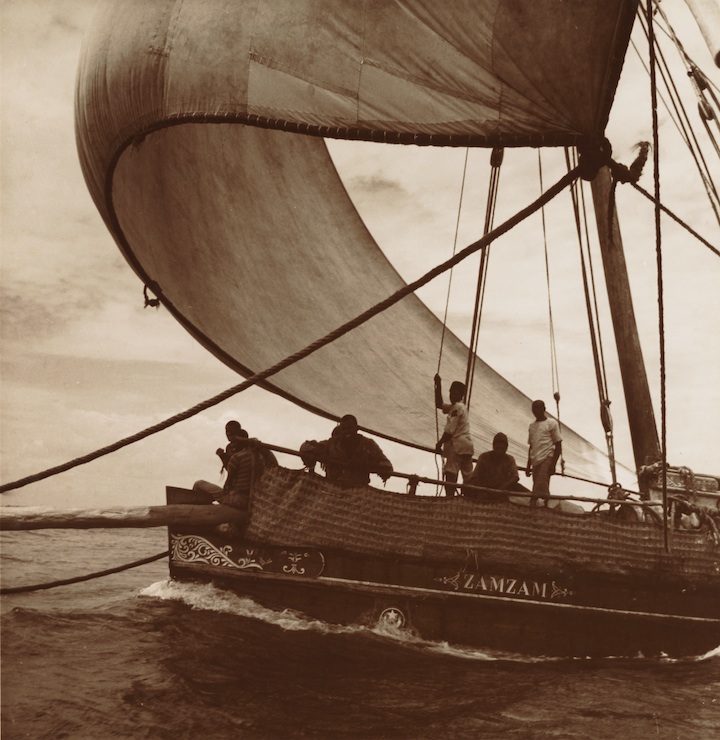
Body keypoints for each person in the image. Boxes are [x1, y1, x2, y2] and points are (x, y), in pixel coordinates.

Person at [194, 422, 278, 509]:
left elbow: (231, 477)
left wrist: (227, 492)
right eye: (227, 431)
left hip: (241, 497)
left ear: (239, 435)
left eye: (232, 432)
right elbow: (233, 470)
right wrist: (223, 457)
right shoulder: (232, 449)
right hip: (245, 495)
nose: (229, 434)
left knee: (199, 484)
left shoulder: (256, 451)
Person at [300, 414, 393, 488]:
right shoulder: (332, 443)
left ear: (356, 429)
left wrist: (366, 464)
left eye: (349, 428)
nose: (346, 432)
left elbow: (387, 467)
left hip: (359, 490)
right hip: (333, 487)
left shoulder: (368, 444)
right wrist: (323, 456)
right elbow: (305, 447)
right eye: (343, 429)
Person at [434, 374, 474, 497]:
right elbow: (439, 404)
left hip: (457, 445)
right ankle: (469, 498)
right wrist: (438, 385)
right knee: (468, 475)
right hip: (467, 446)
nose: (452, 395)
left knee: (451, 472)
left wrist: (439, 443)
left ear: (461, 396)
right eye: (451, 393)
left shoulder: (457, 407)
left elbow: (450, 430)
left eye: (455, 393)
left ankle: (450, 499)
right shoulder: (456, 407)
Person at [466, 432, 528, 502]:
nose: (499, 451)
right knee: (468, 487)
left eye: (502, 449)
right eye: (497, 448)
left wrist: (504, 486)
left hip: (503, 488)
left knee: (524, 491)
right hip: (485, 486)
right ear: (493, 446)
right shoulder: (484, 457)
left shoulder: (510, 459)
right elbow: (475, 476)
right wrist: (482, 490)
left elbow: (515, 477)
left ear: (506, 448)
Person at [525, 400, 562, 507]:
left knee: (541, 484)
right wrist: (528, 465)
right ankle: (543, 504)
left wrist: (553, 464)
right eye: (534, 408)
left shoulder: (551, 423)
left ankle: (537, 504)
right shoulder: (532, 426)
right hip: (535, 460)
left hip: (547, 457)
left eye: (538, 408)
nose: (536, 410)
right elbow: (531, 446)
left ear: (544, 409)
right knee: (538, 484)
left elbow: (558, 445)